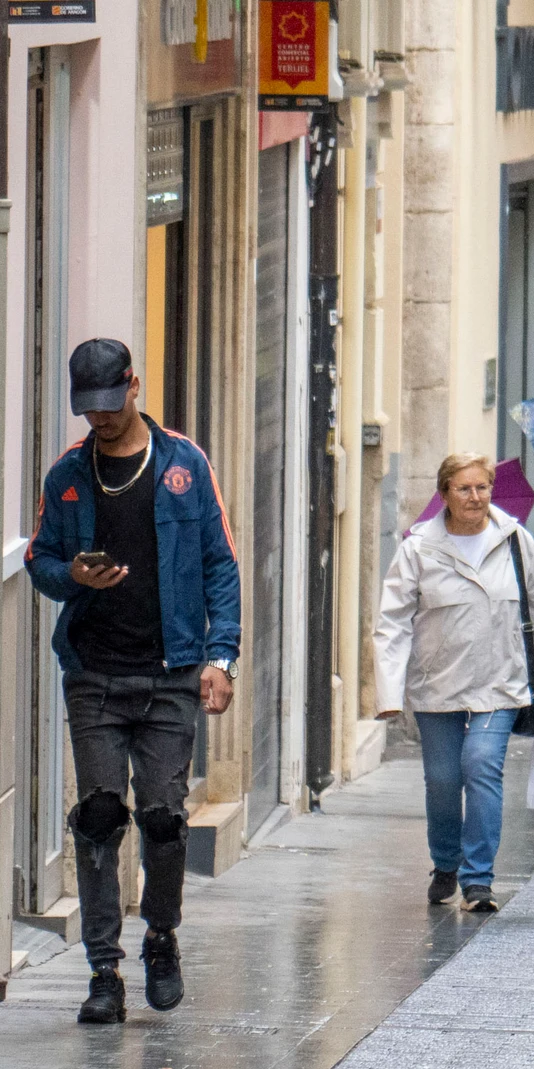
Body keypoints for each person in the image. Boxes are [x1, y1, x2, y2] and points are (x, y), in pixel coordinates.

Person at [26, 339, 241, 1024]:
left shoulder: (183, 465)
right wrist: (72, 577)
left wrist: (221, 655)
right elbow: (39, 558)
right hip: (93, 671)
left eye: (111, 405)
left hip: (172, 672)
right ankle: (103, 970)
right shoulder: (68, 476)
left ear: (134, 387)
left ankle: (160, 934)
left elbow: (220, 564)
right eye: (89, 410)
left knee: (163, 819)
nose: (102, 420)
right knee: (96, 817)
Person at [374, 453, 534, 913]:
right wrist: (389, 693)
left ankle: (478, 879)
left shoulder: (515, 542)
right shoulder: (418, 548)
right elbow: (392, 624)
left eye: (482, 487)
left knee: (482, 765)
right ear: (444, 492)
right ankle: (445, 862)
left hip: (500, 681)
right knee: (443, 780)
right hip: (437, 684)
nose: (475, 497)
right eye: (464, 488)